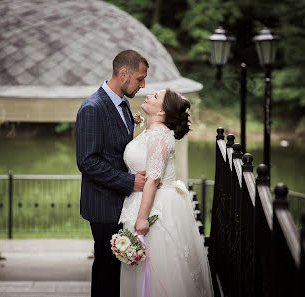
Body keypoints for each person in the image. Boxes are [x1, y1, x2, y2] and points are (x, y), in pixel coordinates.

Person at [118, 89, 214, 297]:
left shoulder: (160, 135)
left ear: (162, 111)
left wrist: (142, 219)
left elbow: (153, 179)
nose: (149, 96)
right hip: (139, 202)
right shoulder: (150, 131)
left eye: (155, 97)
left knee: (160, 269)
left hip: (156, 210)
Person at [75, 49, 149, 297]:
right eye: (139, 79)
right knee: (106, 270)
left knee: (118, 272)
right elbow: (87, 161)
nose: (143, 84)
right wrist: (129, 181)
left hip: (122, 203)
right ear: (123, 73)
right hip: (103, 205)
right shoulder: (92, 108)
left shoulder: (124, 104)